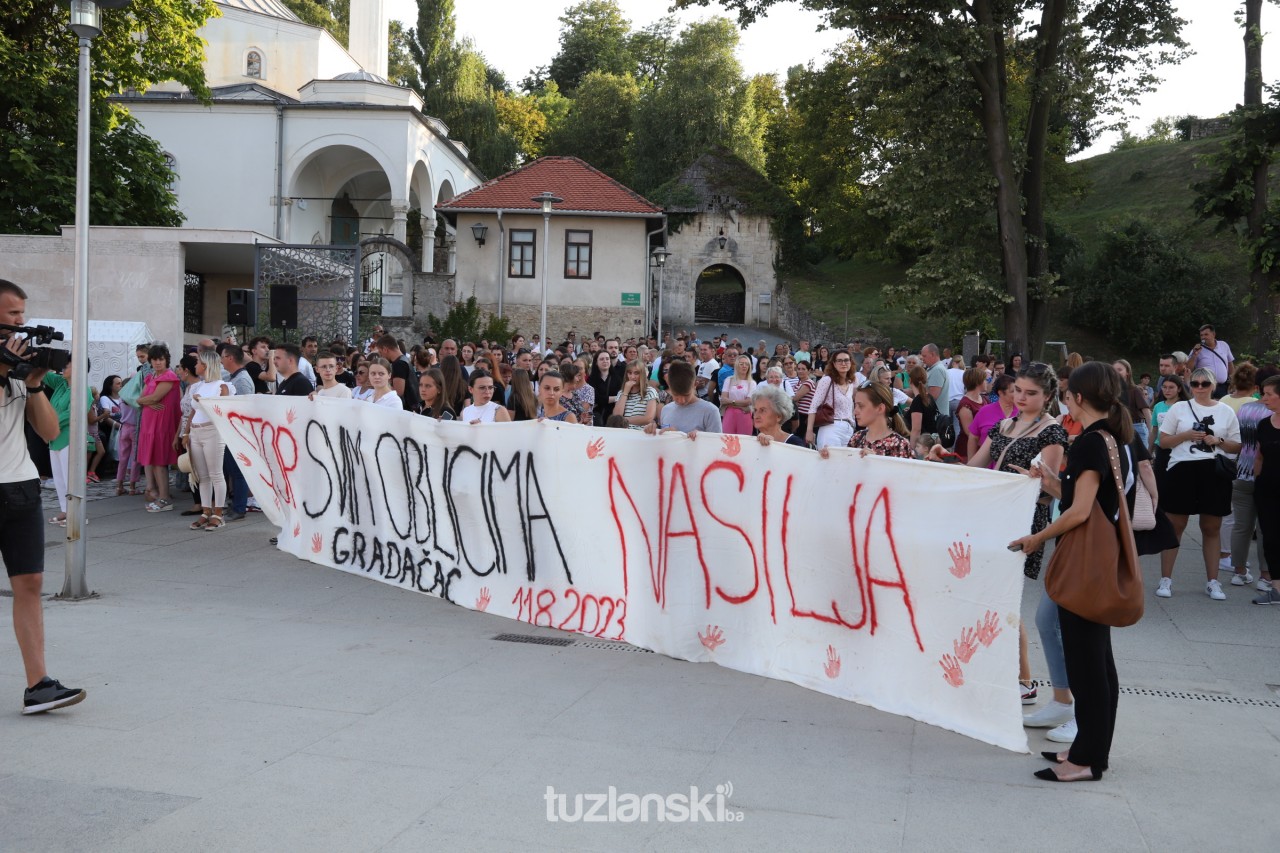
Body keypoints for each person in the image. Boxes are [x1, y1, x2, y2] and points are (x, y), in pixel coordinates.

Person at [1010, 361, 1134, 783]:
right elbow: (1087, 500)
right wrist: (1048, 480)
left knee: (1088, 667)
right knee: (1099, 664)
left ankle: (1086, 760)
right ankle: (1090, 751)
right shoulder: (1110, 438)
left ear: (1077, 397)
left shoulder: (1089, 443)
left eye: (1066, 392)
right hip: (1099, 561)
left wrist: (1037, 537)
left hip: (1084, 563)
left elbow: (1080, 512)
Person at [943, 362, 1068, 705]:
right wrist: (942, 460)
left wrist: (1033, 482)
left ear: (1047, 396)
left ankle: (1024, 681)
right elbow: (975, 469)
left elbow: (1052, 491)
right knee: (988, 597)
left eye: (1031, 393)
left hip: (1025, 522)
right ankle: (1002, 674)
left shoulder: (1052, 432)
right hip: (991, 517)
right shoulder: (1003, 424)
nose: (1022, 398)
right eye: (1018, 391)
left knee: (1003, 599)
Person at [0, 279, 86, 714]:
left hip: (20, 486)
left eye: (22, 314)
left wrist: (32, 384)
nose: (21, 323)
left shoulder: (18, 369)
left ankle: (39, 684)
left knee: (30, 583)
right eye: (13, 314)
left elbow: (51, 433)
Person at [1156, 367, 1242, 600]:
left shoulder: (1225, 411)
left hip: (1213, 471)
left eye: (1205, 383)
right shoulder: (1179, 408)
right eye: (1195, 383)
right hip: (1182, 469)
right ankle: (1166, 579)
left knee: (1211, 527)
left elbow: (1237, 445)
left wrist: (1219, 441)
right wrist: (1185, 436)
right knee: (1175, 526)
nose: (1200, 387)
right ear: (1190, 386)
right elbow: (1163, 442)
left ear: (1214, 385)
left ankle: (1213, 581)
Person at [180, 350, 233, 531]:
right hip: (196, 432)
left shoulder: (223, 386)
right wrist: (185, 433)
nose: (196, 365)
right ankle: (205, 511)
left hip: (213, 431)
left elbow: (223, 411)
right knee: (202, 476)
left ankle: (218, 513)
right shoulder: (200, 386)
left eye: (199, 362)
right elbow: (193, 412)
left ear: (206, 365)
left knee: (215, 474)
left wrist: (204, 402)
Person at [1230, 394, 1271, 595]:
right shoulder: (1274, 412)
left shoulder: (1245, 409)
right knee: (1265, 528)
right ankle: (1265, 575)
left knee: (1241, 526)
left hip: (1242, 471)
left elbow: (1237, 439)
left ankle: (1238, 571)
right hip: (1265, 475)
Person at [137, 344, 181, 512]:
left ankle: (165, 498)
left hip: (161, 424)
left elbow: (153, 397)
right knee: (155, 461)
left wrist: (145, 401)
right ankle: (162, 497)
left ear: (166, 360)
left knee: (160, 461)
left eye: (161, 359)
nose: (157, 362)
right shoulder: (152, 377)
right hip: (150, 424)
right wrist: (146, 401)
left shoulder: (168, 376)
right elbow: (140, 399)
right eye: (154, 359)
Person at [825, 381, 913, 459]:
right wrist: (830, 458)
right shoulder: (857, 438)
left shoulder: (900, 444)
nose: (855, 411)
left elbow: (905, 476)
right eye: (855, 405)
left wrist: (875, 462)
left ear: (880, 408)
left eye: (861, 406)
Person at [1252, 375, 1280, 604]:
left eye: (1269, 394)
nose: (1264, 398)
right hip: (1267, 491)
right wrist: (1256, 479)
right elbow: (1259, 457)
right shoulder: (1263, 424)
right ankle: (1277, 590)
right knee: (1270, 539)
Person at [646, 360, 722, 436]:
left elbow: (717, 445)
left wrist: (701, 438)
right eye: (676, 395)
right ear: (669, 386)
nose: (681, 401)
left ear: (695, 384)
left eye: (686, 395)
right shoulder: (666, 410)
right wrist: (653, 430)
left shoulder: (710, 411)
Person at [805, 349, 857, 449]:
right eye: (839, 360)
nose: (843, 363)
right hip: (831, 427)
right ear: (834, 363)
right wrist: (809, 431)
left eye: (846, 360)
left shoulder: (851, 382)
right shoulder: (827, 380)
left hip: (849, 429)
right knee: (830, 462)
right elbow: (813, 407)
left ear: (851, 363)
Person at [1112, 359, 1152, 448]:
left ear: (1127, 372)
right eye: (1114, 370)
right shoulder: (1112, 392)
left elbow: (1146, 411)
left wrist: (1151, 431)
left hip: (1136, 427)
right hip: (1119, 428)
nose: (1116, 372)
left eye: (1119, 369)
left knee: (1142, 460)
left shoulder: (1134, 390)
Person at [970, 374, 1019, 447]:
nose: (1017, 394)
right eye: (1012, 391)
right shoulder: (985, 411)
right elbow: (973, 438)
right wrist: (972, 458)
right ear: (1001, 393)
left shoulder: (1023, 412)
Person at [375, 334, 420, 412]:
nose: (381, 356)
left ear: (385, 349)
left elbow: (398, 391)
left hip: (407, 410)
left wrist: (380, 387)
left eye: (380, 352)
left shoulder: (399, 364)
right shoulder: (404, 360)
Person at [1189, 323, 1234, 398]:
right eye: (1201, 335)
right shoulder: (1197, 349)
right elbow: (1188, 368)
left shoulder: (1223, 345)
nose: (1203, 337)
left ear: (1213, 334)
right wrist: (1194, 355)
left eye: (1206, 334)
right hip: (1205, 386)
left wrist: (1233, 381)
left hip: (1222, 387)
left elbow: (1230, 363)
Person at [612, 360, 658, 430]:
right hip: (624, 434)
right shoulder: (621, 393)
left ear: (642, 374)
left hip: (642, 433)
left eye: (636, 373)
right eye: (630, 373)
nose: (632, 377)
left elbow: (648, 418)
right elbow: (616, 416)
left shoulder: (650, 392)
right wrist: (625, 393)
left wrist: (623, 420)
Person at [954, 367, 987, 463]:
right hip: (966, 449)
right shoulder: (965, 405)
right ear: (978, 382)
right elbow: (969, 432)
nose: (986, 382)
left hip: (982, 446)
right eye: (984, 380)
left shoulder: (984, 399)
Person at [720, 355, 756, 435]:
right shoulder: (728, 380)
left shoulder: (752, 383)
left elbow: (748, 401)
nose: (744, 366)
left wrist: (731, 402)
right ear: (736, 365)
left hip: (745, 415)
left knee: (744, 441)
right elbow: (723, 399)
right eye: (741, 364)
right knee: (727, 439)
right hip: (729, 414)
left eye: (746, 364)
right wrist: (741, 404)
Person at [906, 365, 937, 448]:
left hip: (921, 446)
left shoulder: (917, 401)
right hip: (931, 443)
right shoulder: (929, 397)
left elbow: (916, 430)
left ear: (910, 381)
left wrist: (912, 450)